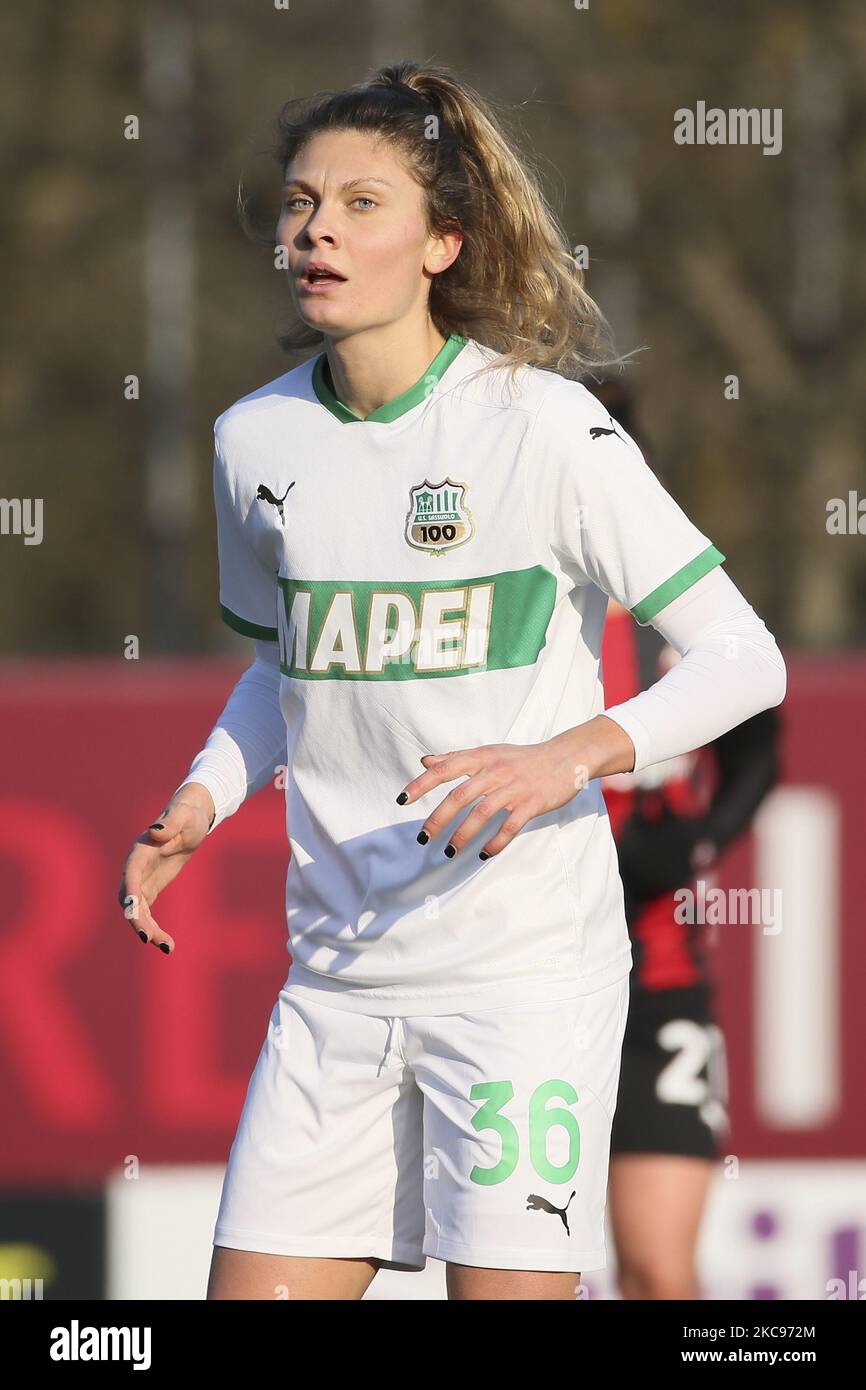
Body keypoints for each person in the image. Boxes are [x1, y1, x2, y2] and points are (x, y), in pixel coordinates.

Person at [117, 61, 787, 1302]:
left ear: (442, 242)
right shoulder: (252, 440)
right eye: (299, 202)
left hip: (518, 977)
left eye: (361, 203)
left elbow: (745, 656)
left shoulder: (543, 426)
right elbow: (284, 664)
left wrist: (564, 756)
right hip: (333, 981)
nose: (315, 226)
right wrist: (205, 797)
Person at [587, 378, 782, 1300]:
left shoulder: (680, 609)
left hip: (658, 984)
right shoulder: (501, 604)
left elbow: (758, 749)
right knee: (514, 1273)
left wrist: (695, 843)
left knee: (657, 1274)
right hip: (522, 978)